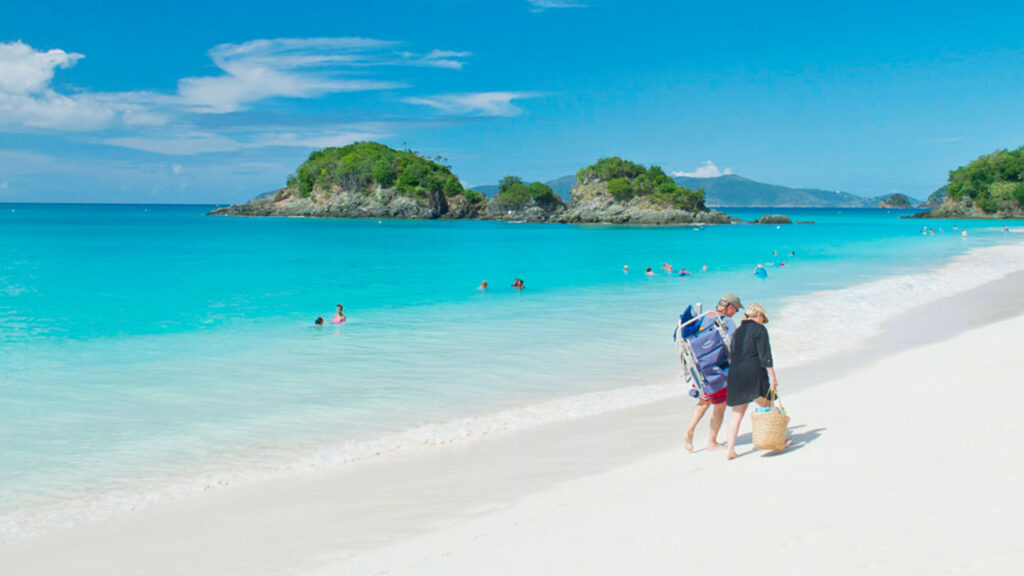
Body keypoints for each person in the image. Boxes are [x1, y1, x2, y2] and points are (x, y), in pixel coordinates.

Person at [684, 292, 743, 452]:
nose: (735, 313)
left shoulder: (704, 316)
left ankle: (689, 431)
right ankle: (712, 442)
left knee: (704, 401)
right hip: (718, 371)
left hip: (700, 369)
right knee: (720, 405)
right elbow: (734, 346)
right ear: (729, 306)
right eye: (736, 309)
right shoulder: (727, 321)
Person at [724, 303, 780, 460]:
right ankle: (773, 439)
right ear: (759, 315)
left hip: (735, 374)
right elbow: (765, 355)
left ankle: (730, 450)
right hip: (753, 373)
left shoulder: (737, 331)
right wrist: (773, 377)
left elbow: (733, 354)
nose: (763, 321)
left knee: (736, 413)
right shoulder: (760, 329)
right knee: (768, 404)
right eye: (763, 318)